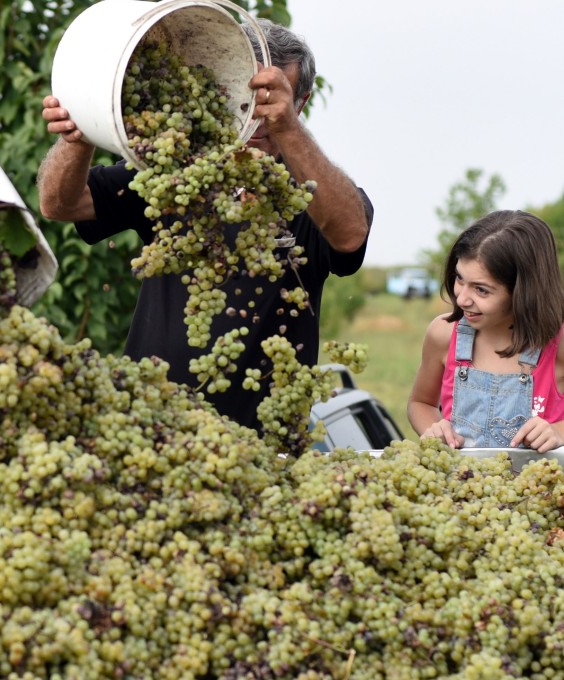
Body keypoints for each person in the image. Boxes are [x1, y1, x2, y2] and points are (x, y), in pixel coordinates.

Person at [37, 19, 372, 430]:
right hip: (153, 430)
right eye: (244, 97)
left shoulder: (307, 193)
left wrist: (288, 131)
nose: (255, 117)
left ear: (299, 103)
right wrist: (78, 135)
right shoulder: (177, 172)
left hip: (263, 448)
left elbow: (351, 235)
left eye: (272, 103)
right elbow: (60, 204)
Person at [407, 210, 564, 453]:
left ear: (524, 292)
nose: (462, 300)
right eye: (459, 279)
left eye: (481, 290)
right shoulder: (443, 334)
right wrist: (435, 427)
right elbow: (420, 402)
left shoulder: (558, 344)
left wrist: (557, 431)